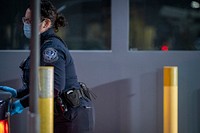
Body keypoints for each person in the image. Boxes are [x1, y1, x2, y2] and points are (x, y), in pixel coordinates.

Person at [0, 0, 94, 133]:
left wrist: (21, 104)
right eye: (25, 20)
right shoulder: (40, 45)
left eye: (30, 21)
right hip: (60, 115)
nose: (26, 25)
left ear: (46, 23)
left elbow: (53, 87)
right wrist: (18, 93)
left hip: (70, 117)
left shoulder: (51, 49)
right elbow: (42, 83)